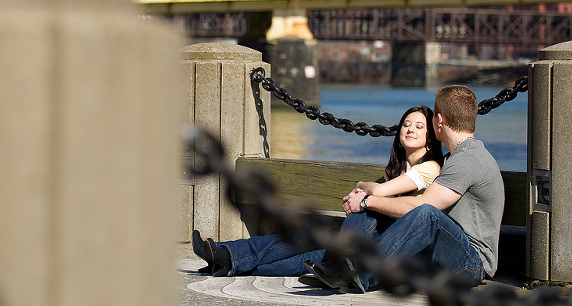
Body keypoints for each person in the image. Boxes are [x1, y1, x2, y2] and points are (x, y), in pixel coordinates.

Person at [191, 105, 444, 279]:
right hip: (366, 239)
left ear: (430, 137)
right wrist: (363, 194)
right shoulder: (397, 171)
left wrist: (362, 193)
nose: (410, 130)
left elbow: (376, 191)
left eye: (419, 127)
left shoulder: (430, 168)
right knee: (303, 239)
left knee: (315, 253)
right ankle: (228, 256)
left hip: (390, 247)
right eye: (406, 125)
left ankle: (230, 260)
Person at [306, 84, 505, 292]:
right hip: (436, 254)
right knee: (366, 212)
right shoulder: (454, 158)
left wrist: (367, 200)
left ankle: (357, 273)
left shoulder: (468, 159)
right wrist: (365, 204)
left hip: (470, 263)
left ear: (440, 120)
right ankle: (342, 267)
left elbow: (424, 207)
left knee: (427, 214)